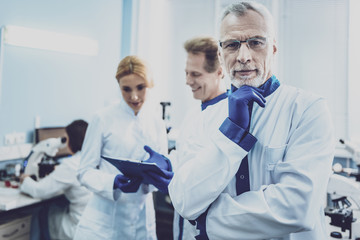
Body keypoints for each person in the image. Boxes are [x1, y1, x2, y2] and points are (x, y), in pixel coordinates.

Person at [168, 2, 335, 240]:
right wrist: (231, 134)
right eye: (232, 45)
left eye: (256, 42)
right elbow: (184, 200)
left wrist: (209, 221)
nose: (243, 57)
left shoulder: (308, 109)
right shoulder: (206, 118)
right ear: (220, 53)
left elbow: (297, 208)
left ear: (274, 48)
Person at [74, 55, 171, 240]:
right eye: (126, 89)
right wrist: (113, 182)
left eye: (140, 88)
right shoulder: (102, 118)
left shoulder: (157, 122)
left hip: (143, 218)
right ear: (118, 86)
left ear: (149, 84)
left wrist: (156, 173)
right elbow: (84, 171)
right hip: (105, 222)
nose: (134, 96)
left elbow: (164, 169)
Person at [173, 36, 228, 240]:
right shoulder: (192, 113)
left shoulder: (230, 116)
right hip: (183, 224)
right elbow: (185, 160)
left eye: (195, 74)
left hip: (210, 228)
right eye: (187, 73)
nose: (188, 81)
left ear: (219, 72)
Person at [20, 119, 91, 240]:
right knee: (59, 203)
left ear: (71, 141)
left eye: (66, 139)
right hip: (95, 228)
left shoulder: (71, 165)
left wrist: (25, 179)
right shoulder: (92, 159)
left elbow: (39, 191)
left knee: (41, 210)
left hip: (77, 231)